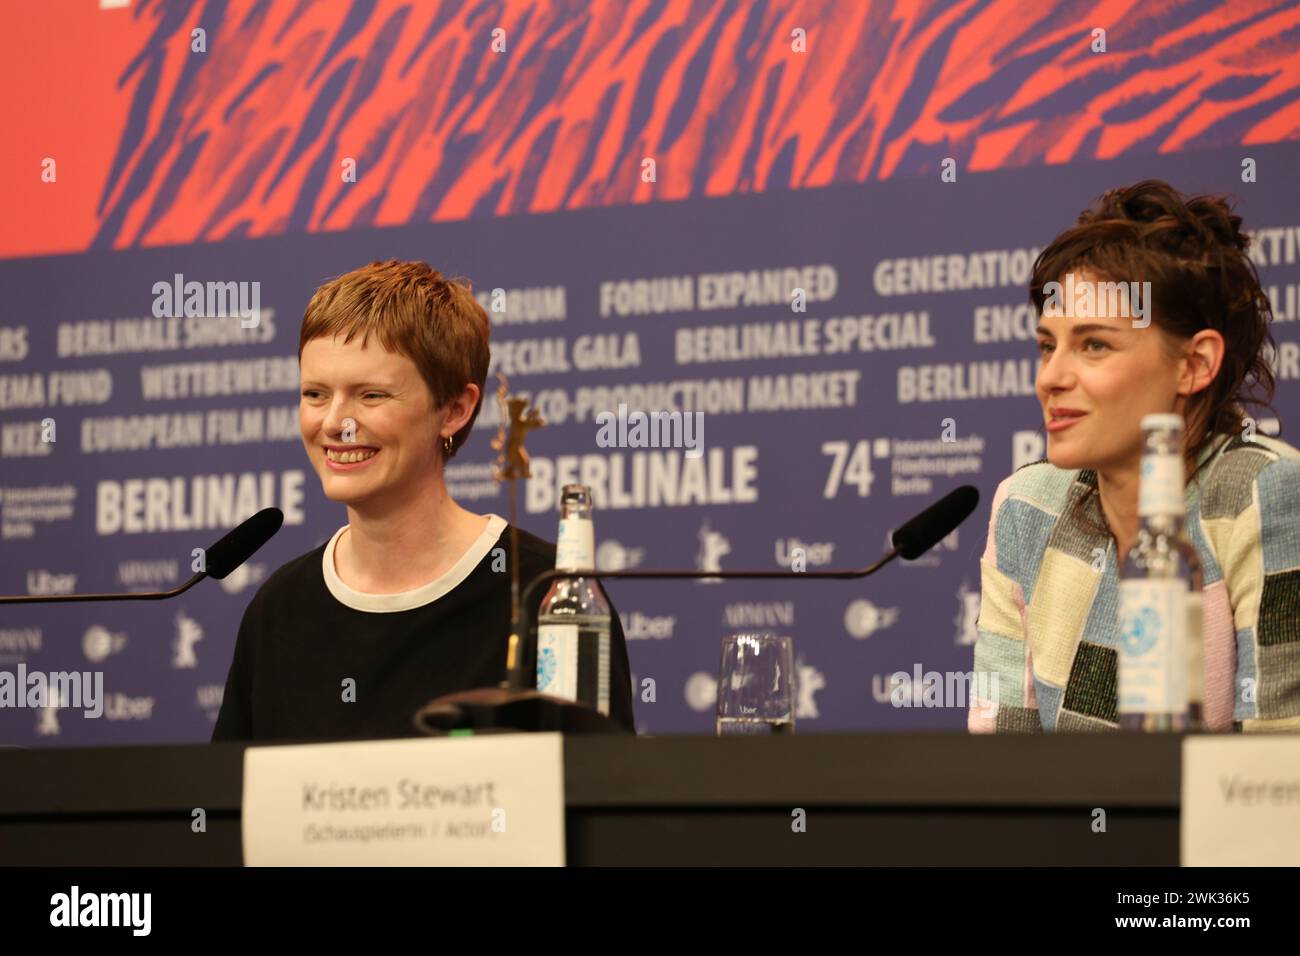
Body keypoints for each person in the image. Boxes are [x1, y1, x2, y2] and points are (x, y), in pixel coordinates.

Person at [213, 260, 636, 740]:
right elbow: (235, 807)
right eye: (314, 394)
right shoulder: (280, 608)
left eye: (370, 395)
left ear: (455, 409)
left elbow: (600, 796)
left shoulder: (547, 596)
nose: (334, 422)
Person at [970, 180, 1300, 733]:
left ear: (1194, 364)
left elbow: (1278, 781)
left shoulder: (1263, 496)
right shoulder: (1026, 507)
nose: (1051, 378)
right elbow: (1000, 770)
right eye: (1048, 346)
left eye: (1094, 344)